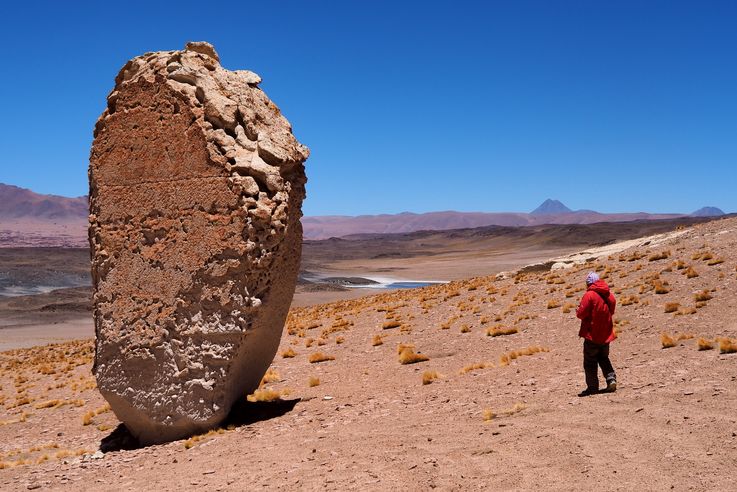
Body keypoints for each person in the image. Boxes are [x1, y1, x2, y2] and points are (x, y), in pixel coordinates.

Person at [575, 272, 617, 396]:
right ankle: (611, 379)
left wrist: (578, 310)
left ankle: (592, 387)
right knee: (604, 358)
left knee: (590, 361)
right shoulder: (608, 294)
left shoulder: (589, 295)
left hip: (592, 334)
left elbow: (581, 314)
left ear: (589, 283)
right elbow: (612, 309)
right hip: (606, 333)